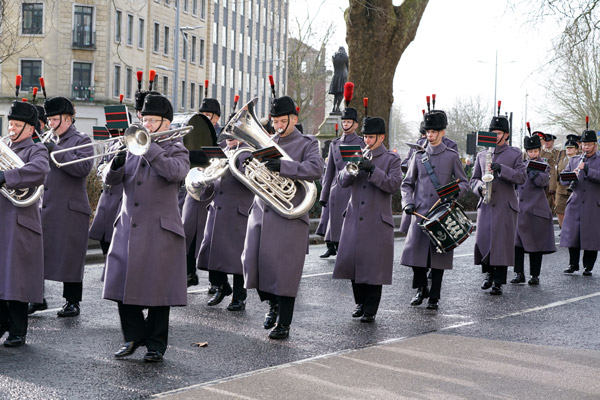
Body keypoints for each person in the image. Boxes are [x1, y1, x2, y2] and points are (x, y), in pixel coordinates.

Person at [103, 94, 189, 362]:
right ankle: (133, 336)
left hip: (160, 230)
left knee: (158, 291)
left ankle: (155, 345)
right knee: (120, 283)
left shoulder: (177, 147)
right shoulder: (130, 144)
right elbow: (109, 180)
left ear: (166, 123)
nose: (147, 124)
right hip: (128, 226)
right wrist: (115, 163)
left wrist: (150, 148)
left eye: (153, 120)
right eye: (144, 119)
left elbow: (176, 172)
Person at [241, 96, 323, 339]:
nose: (277, 125)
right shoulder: (266, 142)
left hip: (289, 216)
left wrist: (285, 167)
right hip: (261, 213)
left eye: (282, 121)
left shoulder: (308, 143)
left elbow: (316, 169)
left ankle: (283, 323)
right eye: (275, 121)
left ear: (294, 120)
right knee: (252, 264)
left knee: (285, 273)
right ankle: (272, 304)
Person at [29, 97, 94, 317]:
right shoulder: (47, 138)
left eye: (54, 119)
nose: (50, 124)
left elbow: (83, 168)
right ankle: (37, 298)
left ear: (67, 118)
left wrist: (54, 149)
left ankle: (72, 301)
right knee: (37, 255)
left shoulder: (81, 139)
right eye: (48, 119)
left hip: (70, 209)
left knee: (71, 257)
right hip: (45, 206)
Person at [333, 117, 402, 321]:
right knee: (355, 264)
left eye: (371, 137)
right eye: (365, 137)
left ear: (381, 137)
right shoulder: (356, 154)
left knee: (374, 267)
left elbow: (394, 185)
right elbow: (341, 182)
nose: (367, 141)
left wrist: (372, 170)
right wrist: (350, 169)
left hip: (377, 221)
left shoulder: (391, 159)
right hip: (354, 218)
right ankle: (360, 303)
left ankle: (370, 309)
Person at [400, 109, 469, 310]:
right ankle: (421, 289)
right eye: (428, 131)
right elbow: (406, 184)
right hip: (420, 213)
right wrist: (408, 203)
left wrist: (454, 194)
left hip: (442, 214)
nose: (430, 135)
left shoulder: (452, 156)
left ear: (442, 133)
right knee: (414, 255)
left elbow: (464, 183)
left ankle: (434, 296)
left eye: (434, 131)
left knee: (438, 257)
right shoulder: (418, 156)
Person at [0, 101, 50, 347]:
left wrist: (6, 176)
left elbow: (39, 172)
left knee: (16, 278)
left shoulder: (36, 150)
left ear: (30, 129)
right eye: (10, 124)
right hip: (2, 222)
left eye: (17, 125)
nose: (11, 129)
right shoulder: (3, 147)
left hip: (20, 222)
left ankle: (18, 330)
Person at [470, 113, 526, 295]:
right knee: (484, 240)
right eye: (493, 132)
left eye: (499, 132)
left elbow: (521, 177)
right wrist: (479, 188)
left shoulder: (515, 153)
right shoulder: (482, 154)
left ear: (506, 135)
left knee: (501, 243)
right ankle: (488, 275)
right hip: (486, 204)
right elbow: (474, 179)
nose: (495, 135)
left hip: (505, 204)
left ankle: (498, 281)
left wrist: (502, 169)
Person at [196, 138, 254, 310]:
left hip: (238, 211)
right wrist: (204, 176)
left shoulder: (247, 153)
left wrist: (233, 165)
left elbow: (251, 179)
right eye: (227, 135)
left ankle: (239, 298)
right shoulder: (221, 151)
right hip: (217, 208)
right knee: (211, 251)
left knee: (238, 258)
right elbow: (213, 180)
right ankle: (221, 286)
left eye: (233, 135)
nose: (229, 139)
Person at [182, 97, 222, 288]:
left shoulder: (223, 136)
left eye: (209, 115)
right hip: (194, 187)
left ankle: (217, 282)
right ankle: (190, 273)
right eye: (203, 114)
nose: (205, 118)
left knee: (211, 237)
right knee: (188, 231)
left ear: (217, 118)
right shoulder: (193, 132)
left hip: (214, 191)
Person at [319, 106, 365, 258]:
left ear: (356, 125)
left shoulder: (362, 143)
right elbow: (330, 171)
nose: (345, 125)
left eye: (349, 122)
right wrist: (323, 195)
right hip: (337, 190)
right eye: (344, 122)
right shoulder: (335, 144)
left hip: (353, 190)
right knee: (337, 230)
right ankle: (338, 252)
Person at [511, 134, 556, 285]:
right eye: (530, 152)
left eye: (535, 151)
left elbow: (543, 182)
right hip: (520, 210)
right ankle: (519, 273)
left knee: (535, 245)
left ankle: (535, 275)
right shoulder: (520, 164)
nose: (532, 154)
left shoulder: (544, 165)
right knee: (517, 245)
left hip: (536, 210)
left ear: (539, 150)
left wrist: (533, 172)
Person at [560, 128, 600, 276]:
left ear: (595, 145)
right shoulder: (574, 160)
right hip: (575, 203)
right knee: (573, 235)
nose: (586, 147)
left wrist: (588, 170)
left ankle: (588, 266)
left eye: (589, 144)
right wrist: (571, 175)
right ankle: (573, 264)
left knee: (591, 237)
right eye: (584, 145)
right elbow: (562, 178)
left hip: (592, 203)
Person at [555, 138, 578, 228]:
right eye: (567, 148)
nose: (568, 149)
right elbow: (556, 174)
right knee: (560, 213)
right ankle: (563, 230)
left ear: (576, 149)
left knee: (574, 215)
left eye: (571, 148)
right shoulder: (561, 160)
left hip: (574, 191)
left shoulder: (581, 159)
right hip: (561, 190)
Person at [537, 132, 560, 211]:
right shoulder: (526, 154)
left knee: (546, 209)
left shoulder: (550, 155)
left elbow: (552, 171)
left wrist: (552, 187)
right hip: (532, 186)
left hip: (545, 185)